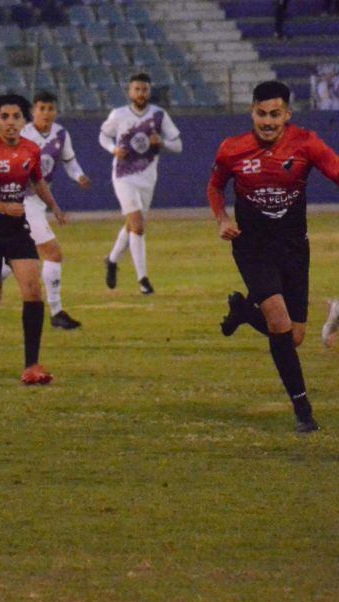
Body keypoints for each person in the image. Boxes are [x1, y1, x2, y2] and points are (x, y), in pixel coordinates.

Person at [207, 80, 339, 432]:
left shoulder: (306, 143)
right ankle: (303, 412)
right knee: (279, 324)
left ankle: (244, 312)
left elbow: (336, 170)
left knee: (293, 336)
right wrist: (222, 219)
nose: (267, 121)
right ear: (252, 112)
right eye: (261, 114)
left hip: (294, 247)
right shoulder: (232, 150)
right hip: (253, 247)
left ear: (287, 115)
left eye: (275, 114)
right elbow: (216, 185)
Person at [0, 94, 67, 384]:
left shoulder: (31, 150)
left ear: (24, 120)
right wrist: (1, 206)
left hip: (16, 230)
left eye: (16, 116)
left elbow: (36, 180)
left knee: (33, 290)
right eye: (4, 117)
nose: (10, 122)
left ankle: (32, 366)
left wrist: (54, 207)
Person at [99, 72, 182, 295]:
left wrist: (162, 142)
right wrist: (113, 149)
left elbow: (178, 145)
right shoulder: (119, 114)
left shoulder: (159, 115)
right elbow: (103, 136)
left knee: (132, 225)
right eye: (137, 89)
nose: (141, 93)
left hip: (147, 176)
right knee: (137, 224)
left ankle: (112, 259)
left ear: (149, 91)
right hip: (123, 174)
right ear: (130, 91)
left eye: (144, 89)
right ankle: (143, 279)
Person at [22, 90, 91, 330]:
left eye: (50, 109)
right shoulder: (23, 133)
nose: (46, 113)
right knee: (53, 253)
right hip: (23, 202)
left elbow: (69, 162)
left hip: (38, 202)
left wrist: (79, 176)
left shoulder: (61, 134)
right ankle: (56, 311)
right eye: (41, 109)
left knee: (9, 264)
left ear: (56, 111)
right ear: (33, 111)